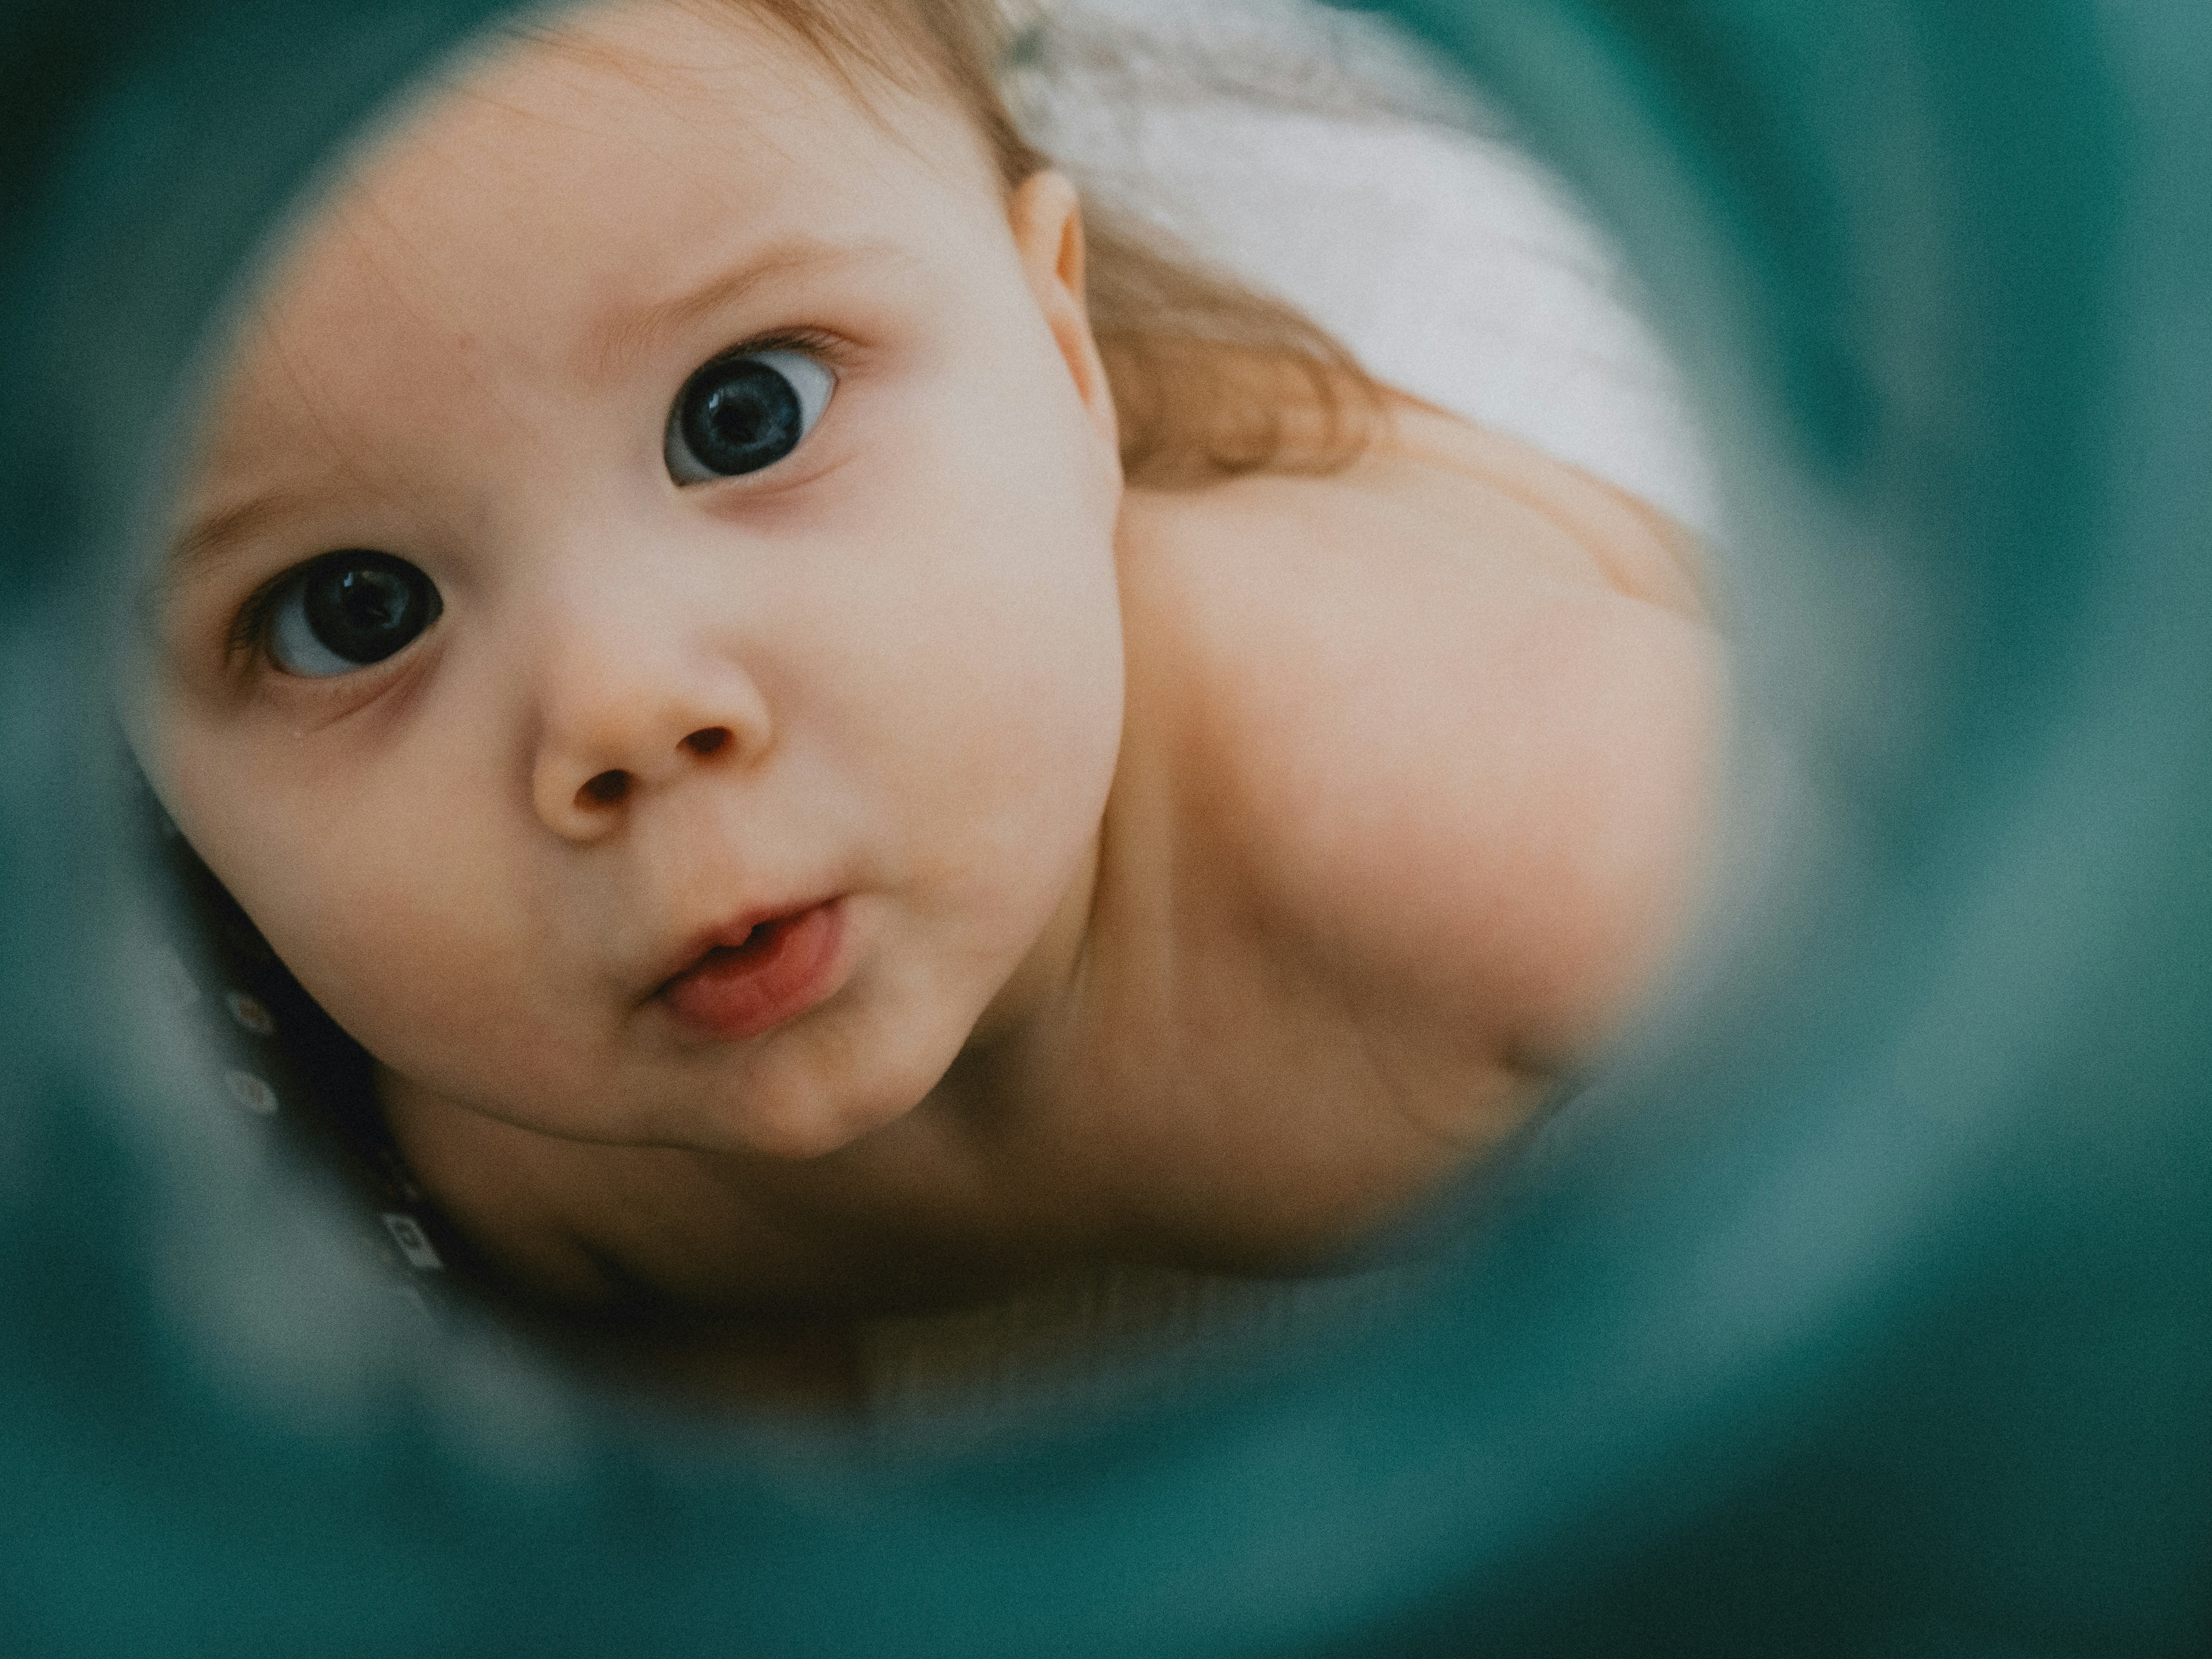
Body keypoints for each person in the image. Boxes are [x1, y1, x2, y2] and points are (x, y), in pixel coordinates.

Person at [132, 0, 1719, 1403]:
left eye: (743, 420)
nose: (625, 708)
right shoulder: (520, 1181)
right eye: (353, 613)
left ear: (1065, 355)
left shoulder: (1478, 798)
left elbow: (1931, 1131)